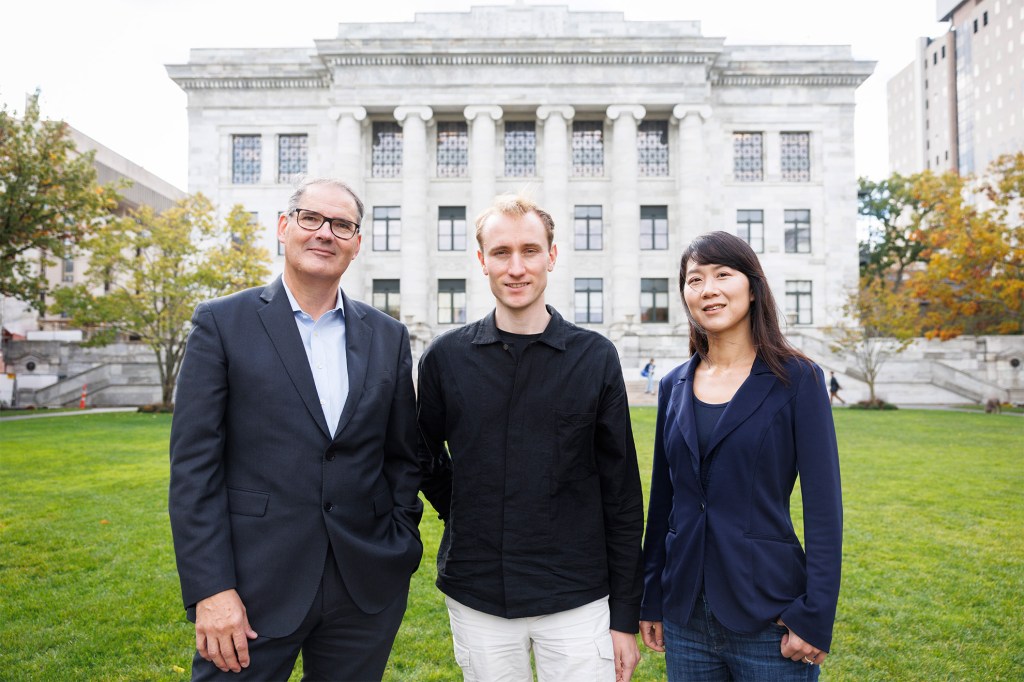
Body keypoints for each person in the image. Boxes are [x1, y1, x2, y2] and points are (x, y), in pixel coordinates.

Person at [168, 178, 423, 680]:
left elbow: (402, 454)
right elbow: (194, 470)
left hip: (364, 585)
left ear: (357, 242)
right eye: (311, 219)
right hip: (253, 585)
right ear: (284, 227)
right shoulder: (221, 324)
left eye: (342, 225)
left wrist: (401, 538)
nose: (325, 233)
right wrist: (210, 588)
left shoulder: (387, 336)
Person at [417, 194, 645, 682]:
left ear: (552, 256)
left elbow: (622, 493)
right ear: (481, 260)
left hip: (577, 598)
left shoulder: (595, 357)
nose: (516, 267)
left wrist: (624, 614)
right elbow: (420, 453)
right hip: (478, 594)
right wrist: (462, 502)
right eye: (501, 252)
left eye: (530, 250)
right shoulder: (445, 359)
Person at [639, 231, 842, 681]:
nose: (707, 289)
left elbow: (824, 509)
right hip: (685, 617)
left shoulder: (798, 379)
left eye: (722, 275)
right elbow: (664, 501)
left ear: (752, 287)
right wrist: (651, 595)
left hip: (770, 618)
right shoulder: (674, 384)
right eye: (694, 280)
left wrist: (815, 614)